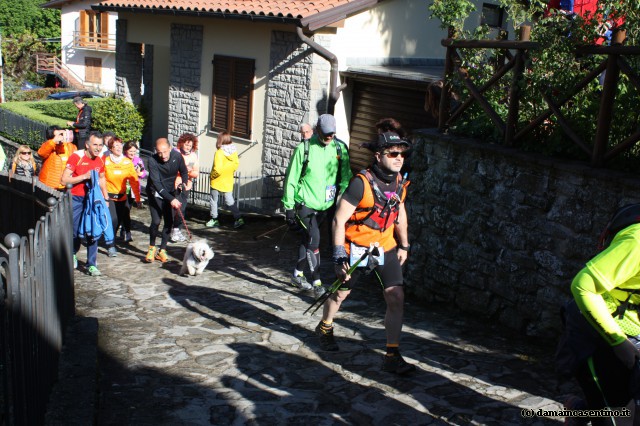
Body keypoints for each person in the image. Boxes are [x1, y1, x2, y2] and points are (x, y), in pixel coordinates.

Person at [315, 130, 415, 375]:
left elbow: (399, 215)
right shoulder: (361, 183)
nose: (399, 158)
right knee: (341, 295)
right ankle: (325, 326)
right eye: (393, 153)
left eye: (401, 153)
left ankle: (392, 354)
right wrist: (339, 257)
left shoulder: (400, 180)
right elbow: (339, 220)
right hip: (356, 248)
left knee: (396, 297)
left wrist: (404, 245)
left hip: (385, 246)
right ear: (379, 155)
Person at [556, 221, 640, 425]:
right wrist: (619, 344)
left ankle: (580, 411)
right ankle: (581, 411)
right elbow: (583, 286)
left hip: (633, 329)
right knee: (615, 412)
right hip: (602, 329)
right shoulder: (637, 242)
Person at [282, 114, 352, 296]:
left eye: (332, 133)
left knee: (308, 240)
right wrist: (289, 208)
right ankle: (317, 282)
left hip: (326, 205)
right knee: (315, 239)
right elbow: (291, 179)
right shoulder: (304, 148)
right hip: (305, 203)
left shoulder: (339, 148)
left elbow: (346, 176)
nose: (329, 137)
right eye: (326, 133)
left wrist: (342, 198)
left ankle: (297, 275)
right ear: (317, 129)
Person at [61, 131, 108, 276]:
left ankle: (91, 264)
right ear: (87, 145)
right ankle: (73, 253)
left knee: (94, 230)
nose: (98, 148)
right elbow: (64, 180)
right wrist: (84, 177)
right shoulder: (77, 157)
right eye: (95, 145)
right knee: (75, 230)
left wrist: (106, 198)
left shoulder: (100, 159)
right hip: (76, 198)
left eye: (100, 145)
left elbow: (102, 178)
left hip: (93, 199)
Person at [145, 138, 190, 263]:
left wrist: (184, 183)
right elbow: (157, 185)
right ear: (156, 151)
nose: (163, 155)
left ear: (170, 148)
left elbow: (184, 172)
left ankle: (162, 250)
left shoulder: (177, 156)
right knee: (156, 220)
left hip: (170, 191)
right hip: (155, 193)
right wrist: (172, 199)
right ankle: (151, 248)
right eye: (159, 152)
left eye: (165, 152)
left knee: (169, 222)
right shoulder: (152, 161)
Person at [103, 136, 141, 255]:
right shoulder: (106, 161)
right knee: (113, 219)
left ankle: (111, 239)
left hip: (122, 196)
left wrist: (138, 199)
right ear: (110, 148)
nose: (119, 147)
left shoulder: (127, 162)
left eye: (120, 145)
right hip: (109, 196)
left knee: (118, 220)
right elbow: (101, 178)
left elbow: (134, 181)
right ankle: (110, 244)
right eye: (116, 145)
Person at [206, 131, 244, 229]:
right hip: (228, 180)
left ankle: (214, 219)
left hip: (217, 180)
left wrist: (212, 176)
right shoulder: (234, 151)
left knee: (214, 200)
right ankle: (238, 218)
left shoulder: (219, 153)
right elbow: (236, 165)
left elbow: (217, 169)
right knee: (229, 200)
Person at [171, 133, 200, 242]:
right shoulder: (175, 153)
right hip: (176, 184)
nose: (188, 147)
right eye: (186, 144)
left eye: (190, 146)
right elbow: (172, 169)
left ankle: (177, 229)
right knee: (177, 208)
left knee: (182, 208)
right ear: (181, 143)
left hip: (186, 186)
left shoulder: (193, 156)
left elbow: (196, 173)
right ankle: (174, 229)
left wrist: (188, 172)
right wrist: (182, 171)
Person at [38, 125, 77, 190]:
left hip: (65, 185)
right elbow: (41, 154)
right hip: (49, 185)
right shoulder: (49, 145)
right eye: (58, 135)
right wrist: (54, 141)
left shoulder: (71, 147)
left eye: (61, 134)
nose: (60, 136)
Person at [123, 141, 147, 241]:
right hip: (122, 188)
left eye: (134, 151)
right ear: (125, 151)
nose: (132, 153)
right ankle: (124, 230)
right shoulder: (122, 160)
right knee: (123, 211)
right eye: (130, 151)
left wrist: (140, 173)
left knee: (127, 210)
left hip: (133, 190)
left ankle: (126, 231)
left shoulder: (138, 160)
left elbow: (144, 173)